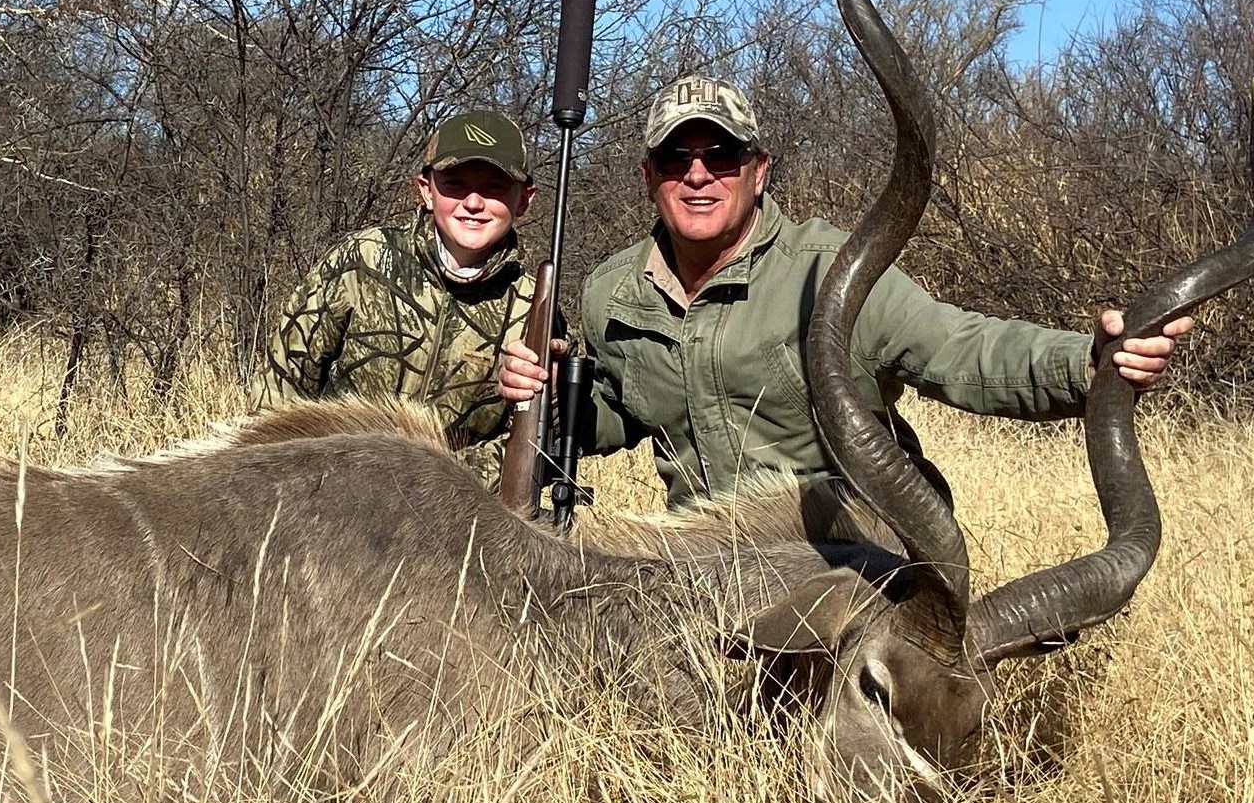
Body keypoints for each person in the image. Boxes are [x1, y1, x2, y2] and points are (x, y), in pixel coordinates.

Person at [499, 74, 1190, 510]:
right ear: (648, 174)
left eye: (722, 156)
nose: (699, 175)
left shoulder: (833, 269)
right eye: (677, 158)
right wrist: (547, 394)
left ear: (758, 170)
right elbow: (619, 413)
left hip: (850, 546)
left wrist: (1085, 360)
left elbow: (957, 349)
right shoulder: (612, 292)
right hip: (706, 561)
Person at [253, 107, 541, 484]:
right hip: (327, 492)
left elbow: (533, 444)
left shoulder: (532, 306)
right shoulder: (361, 260)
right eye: (454, 184)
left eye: (494, 188)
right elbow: (281, 388)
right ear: (424, 190)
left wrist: (434, 484)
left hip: (450, 511)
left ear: (524, 200)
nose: (473, 203)